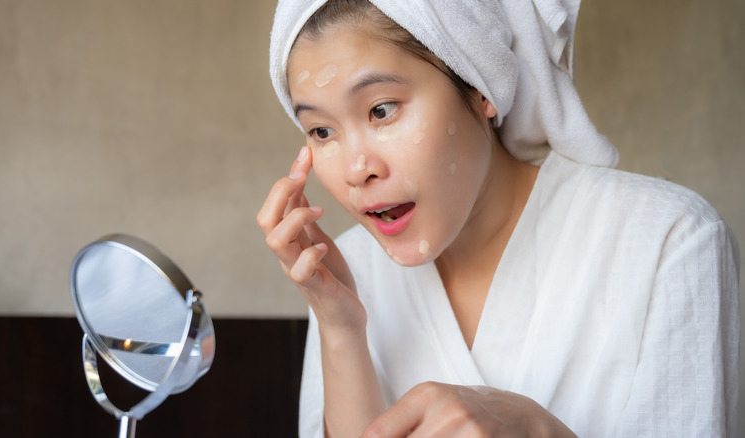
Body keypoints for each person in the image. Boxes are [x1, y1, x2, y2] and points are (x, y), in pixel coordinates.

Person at [257, 0, 740, 436]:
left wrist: (537, 430)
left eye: (382, 110)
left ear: (481, 86)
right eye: (321, 131)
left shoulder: (669, 239)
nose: (356, 169)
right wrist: (341, 330)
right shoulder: (345, 272)